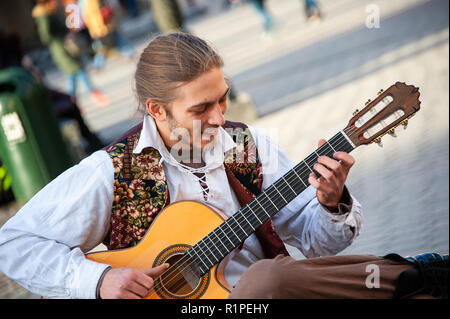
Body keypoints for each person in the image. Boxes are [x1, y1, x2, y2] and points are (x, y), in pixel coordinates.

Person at [0, 32, 446, 299]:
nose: (219, 117)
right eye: (201, 109)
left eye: (223, 98)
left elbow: (317, 248)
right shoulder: (111, 172)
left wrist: (331, 204)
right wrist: (98, 280)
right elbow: (12, 242)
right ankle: (415, 272)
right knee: (267, 279)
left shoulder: (246, 147)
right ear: (157, 110)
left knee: (269, 280)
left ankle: (419, 277)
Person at [32, 0, 109, 107]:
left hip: (64, 47)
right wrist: (61, 37)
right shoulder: (44, 16)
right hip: (60, 49)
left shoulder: (50, 12)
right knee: (77, 69)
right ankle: (92, 93)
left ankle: (71, 100)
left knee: (72, 74)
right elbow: (46, 36)